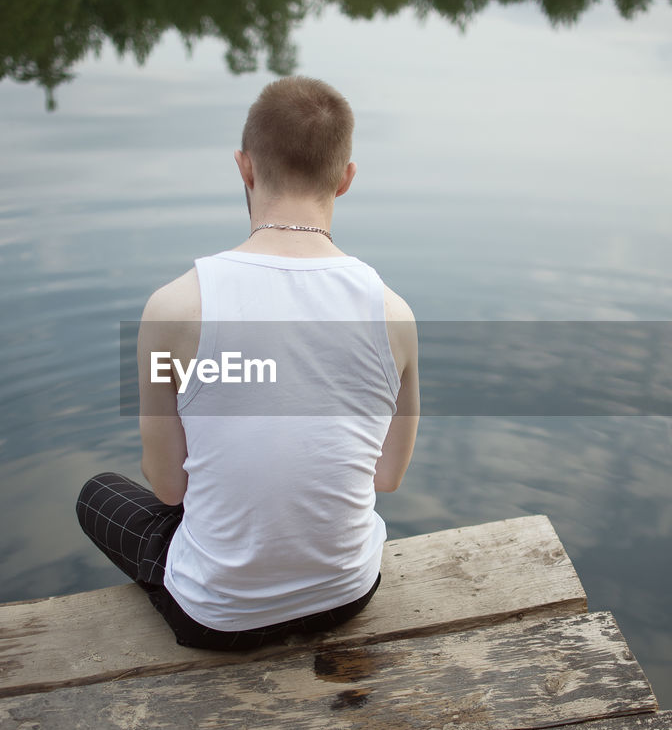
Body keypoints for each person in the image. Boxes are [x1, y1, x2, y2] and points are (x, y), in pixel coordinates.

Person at [76, 76, 419, 651]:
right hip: (349, 594)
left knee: (97, 494)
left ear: (244, 167)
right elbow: (387, 478)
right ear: (346, 177)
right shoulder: (394, 313)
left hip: (215, 618)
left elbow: (166, 486)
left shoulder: (175, 306)